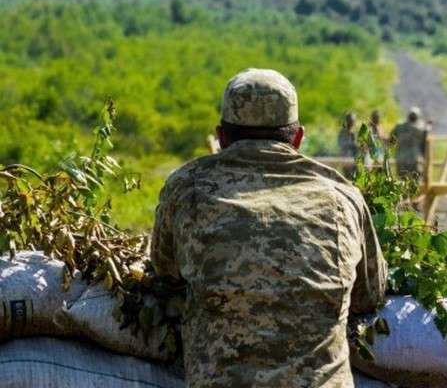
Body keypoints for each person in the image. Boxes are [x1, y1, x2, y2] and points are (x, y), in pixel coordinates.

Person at [151, 68, 387, 388]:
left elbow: (165, 273)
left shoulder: (185, 188)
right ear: (298, 138)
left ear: (221, 138)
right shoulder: (342, 197)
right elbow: (368, 295)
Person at [390, 106, 429, 179]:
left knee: (402, 180)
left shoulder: (399, 126)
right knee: (416, 179)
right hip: (415, 158)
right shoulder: (421, 128)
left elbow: (391, 139)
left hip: (401, 158)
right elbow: (424, 144)